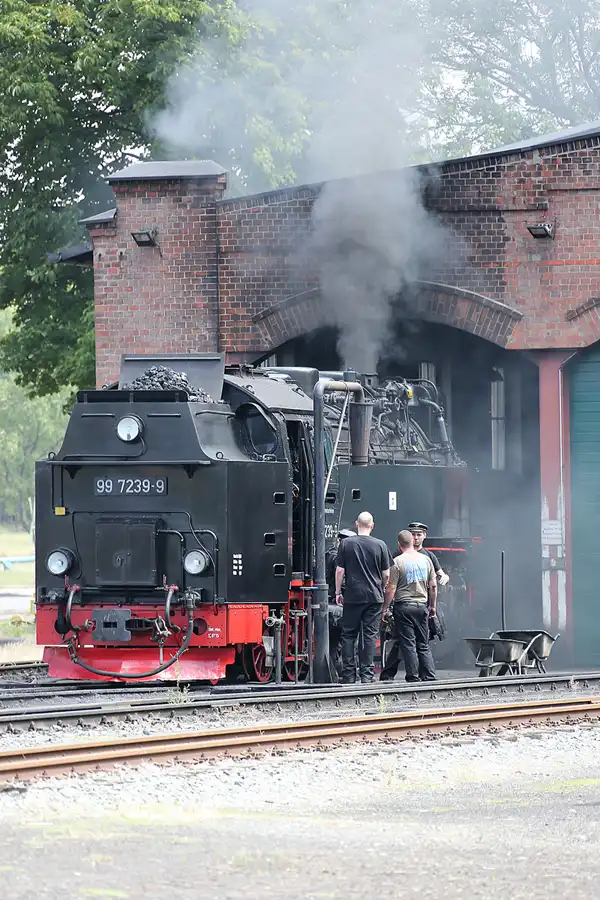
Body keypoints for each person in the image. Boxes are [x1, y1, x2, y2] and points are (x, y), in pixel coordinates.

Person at [379, 520, 449, 681]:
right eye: (414, 535)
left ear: (424, 536)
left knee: (411, 643)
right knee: (408, 642)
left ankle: (415, 675)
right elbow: (433, 585)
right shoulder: (404, 557)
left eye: (419, 535)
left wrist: (385, 607)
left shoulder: (428, 556)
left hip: (410, 605)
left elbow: (440, 575)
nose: (416, 538)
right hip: (419, 605)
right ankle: (423, 675)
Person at [335, 511, 393, 684]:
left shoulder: (346, 543)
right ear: (372, 525)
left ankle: (348, 674)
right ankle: (367, 675)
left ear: (356, 524)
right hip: (374, 597)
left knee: (348, 635)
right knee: (369, 635)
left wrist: (338, 592)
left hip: (352, 595)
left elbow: (340, 571)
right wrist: (381, 587)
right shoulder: (380, 545)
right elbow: (386, 574)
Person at [326, 529, 356, 678]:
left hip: (330, 601)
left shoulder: (329, 555)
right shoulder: (346, 558)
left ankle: (331, 671)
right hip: (343, 601)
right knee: (348, 638)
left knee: (332, 641)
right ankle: (347, 671)